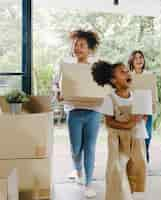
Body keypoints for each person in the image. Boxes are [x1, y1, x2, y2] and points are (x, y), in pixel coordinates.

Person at [53, 29, 101, 198]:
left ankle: (88, 183)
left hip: (93, 111)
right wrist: (57, 93)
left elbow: (105, 86)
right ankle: (78, 171)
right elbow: (56, 84)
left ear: (89, 49)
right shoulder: (65, 65)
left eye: (82, 45)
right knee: (75, 149)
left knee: (90, 147)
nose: (78, 48)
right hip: (74, 111)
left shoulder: (96, 67)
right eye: (75, 45)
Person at [92, 61, 147, 200]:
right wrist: (128, 124)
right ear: (113, 80)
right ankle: (117, 196)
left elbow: (141, 118)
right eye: (122, 72)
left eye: (127, 71)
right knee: (116, 169)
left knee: (136, 167)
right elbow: (109, 122)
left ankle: (129, 194)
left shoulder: (137, 96)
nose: (128, 73)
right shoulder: (110, 99)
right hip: (117, 140)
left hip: (135, 138)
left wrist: (142, 118)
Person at [128, 50, 154, 163]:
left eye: (141, 57)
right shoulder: (128, 76)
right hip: (133, 111)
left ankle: (145, 155)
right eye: (136, 58)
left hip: (146, 111)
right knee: (134, 137)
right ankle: (134, 160)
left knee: (147, 136)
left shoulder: (149, 75)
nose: (139, 60)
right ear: (132, 61)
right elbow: (127, 94)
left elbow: (154, 94)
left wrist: (148, 112)